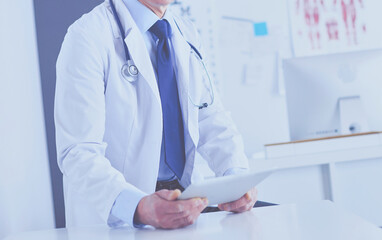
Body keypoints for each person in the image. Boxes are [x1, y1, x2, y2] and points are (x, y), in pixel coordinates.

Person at [55, 0, 269, 229]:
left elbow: (209, 116)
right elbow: (78, 152)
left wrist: (235, 177)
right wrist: (138, 206)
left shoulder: (185, 31)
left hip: (187, 207)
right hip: (120, 222)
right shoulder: (87, 36)